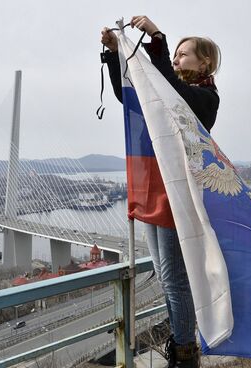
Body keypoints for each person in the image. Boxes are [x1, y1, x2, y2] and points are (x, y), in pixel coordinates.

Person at [100, 15, 221, 368]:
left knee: (173, 278)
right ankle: (181, 343)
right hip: (152, 188)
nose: (175, 59)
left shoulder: (204, 98)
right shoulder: (165, 94)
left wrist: (156, 36)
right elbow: (131, 99)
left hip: (174, 193)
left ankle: (185, 352)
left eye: (183, 54)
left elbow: (175, 91)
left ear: (205, 62)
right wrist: (112, 56)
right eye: (176, 53)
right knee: (164, 275)